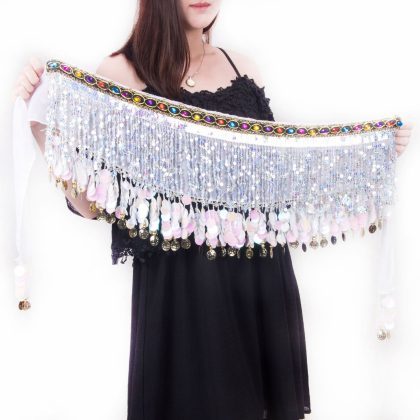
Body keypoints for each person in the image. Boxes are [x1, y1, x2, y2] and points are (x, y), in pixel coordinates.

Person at [12, 1, 412, 419]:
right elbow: (92, 203)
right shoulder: (121, 73)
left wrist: (369, 154)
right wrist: (41, 121)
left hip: (261, 282)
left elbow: (281, 178)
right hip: (182, 295)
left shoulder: (243, 68)